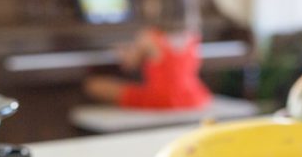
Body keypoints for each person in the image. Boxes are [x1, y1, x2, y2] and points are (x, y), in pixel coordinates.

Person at [82, 23, 212, 111]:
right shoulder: (190, 35)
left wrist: (121, 51)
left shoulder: (148, 36)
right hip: (192, 95)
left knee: (93, 85)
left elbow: (129, 64)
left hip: (161, 97)